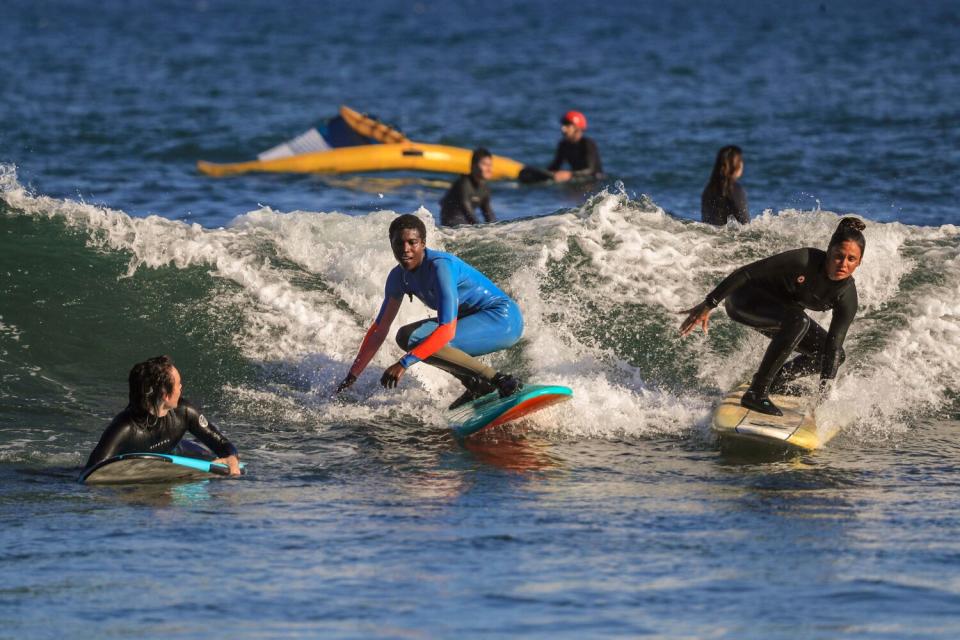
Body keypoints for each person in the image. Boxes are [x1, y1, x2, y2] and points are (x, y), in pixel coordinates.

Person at [678, 217, 867, 416]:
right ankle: (756, 392)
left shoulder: (847, 298)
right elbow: (746, 273)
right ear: (829, 252)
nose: (843, 264)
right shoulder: (804, 259)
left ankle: (776, 381)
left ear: (859, 262)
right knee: (798, 322)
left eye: (851, 259)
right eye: (838, 256)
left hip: (781, 314)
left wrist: (823, 401)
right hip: (744, 299)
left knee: (833, 355)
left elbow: (833, 347)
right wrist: (709, 304)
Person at [336, 214, 524, 409]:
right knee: (406, 336)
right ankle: (475, 384)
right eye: (399, 244)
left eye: (412, 242)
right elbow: (379, 329)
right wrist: (352, 376)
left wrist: (404, 363)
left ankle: (501, 380)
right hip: (472, 320)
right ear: (391, 245)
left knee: (422, 341)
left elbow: (447, 330)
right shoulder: (397, 277)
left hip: (503, 320)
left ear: (423, 243)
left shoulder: (440, 267)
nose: (405, 249)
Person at [84, 356, 242, 475]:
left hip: (180, 453)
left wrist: (231, 457)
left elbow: (222, 444)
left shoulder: (184, 412)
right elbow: (92, 471)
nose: (181, 387)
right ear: (166, 395)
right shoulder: (125, 427)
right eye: (178, 384)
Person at [439, 147, 496, 226]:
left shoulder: (485, 189)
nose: (489, 169)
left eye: (490, 165)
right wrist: (480, 228)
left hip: (466, 223)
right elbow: (467, 210)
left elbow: (488, 214)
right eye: (484, 164)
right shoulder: (464, 183)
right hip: (451, 224)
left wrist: (496, 228)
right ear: (473, 166)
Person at [547, 110, 603, 183]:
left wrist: (570, 174)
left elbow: (591, 170)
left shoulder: (588, 143)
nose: (563, 129)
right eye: (563, 125)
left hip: (594, 182)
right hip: (576, 181)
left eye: (567, 125)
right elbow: (555, 167)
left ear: (577, 128)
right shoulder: (563, 145)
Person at [701, 145, 749, 225]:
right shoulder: (735, 188)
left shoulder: (708, 189)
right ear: (736, 165)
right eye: (741, 160)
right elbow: (745, 222)